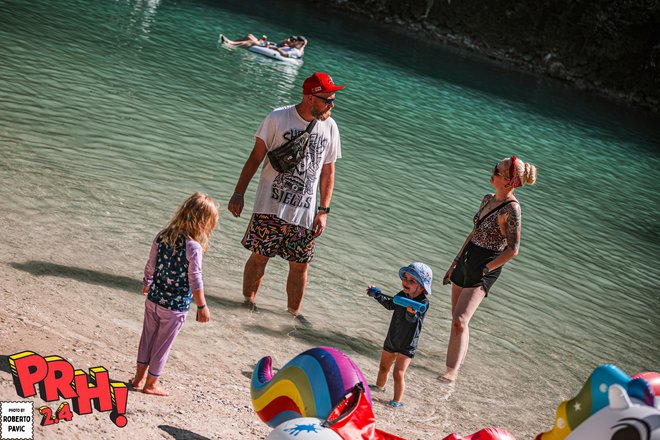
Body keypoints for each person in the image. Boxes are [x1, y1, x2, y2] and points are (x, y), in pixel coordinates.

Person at [227, 72, 344, 326]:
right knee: (259, 257)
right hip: (270, 205)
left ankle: (291, 317)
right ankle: (246, 305)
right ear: (310, 97)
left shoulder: (330, 127)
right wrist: (239, 193)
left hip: (305, 213)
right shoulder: (278, 117)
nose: (332, 105)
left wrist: (323, 210)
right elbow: (255, 157)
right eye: (328, 100)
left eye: (333, 100)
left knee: (300, 266)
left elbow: (328, 171)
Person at [440, 156, 537, 382]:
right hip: (467, 258)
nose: (492, 171)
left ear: (508, 181)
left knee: (460, 320)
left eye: (498, 170)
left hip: (487, 263)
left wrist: (487, 268)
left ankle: (451, 372)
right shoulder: (487, 199)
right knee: (457, 319)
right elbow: (474, 232)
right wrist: (454, 262)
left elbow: (513, 249)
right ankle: (457, 363)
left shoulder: (512, 209)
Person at [131, 192, 219, 396]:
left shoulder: (162, 235)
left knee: (147, 339)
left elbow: (150, 264)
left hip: (153, 299)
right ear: (203, 223)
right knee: (162, 345)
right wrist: (202, 306)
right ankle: (151, 384)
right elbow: (195, 280)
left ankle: (138, 378)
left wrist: (147, 283)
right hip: (174, 308)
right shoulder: (193, 247)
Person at [366, 262, 432, 408]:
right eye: (405, 278)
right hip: (393, 337)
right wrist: (378, 295)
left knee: (398, 373)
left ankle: (397, 401)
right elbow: (391, 305)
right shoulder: (401, 295)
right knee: (383, 367)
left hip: (407, 344)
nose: (406, 282)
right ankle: (379, 388)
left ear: (421, 286)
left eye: (411, 280)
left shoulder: (423, 303)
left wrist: (410, 312)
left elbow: (412, 320)